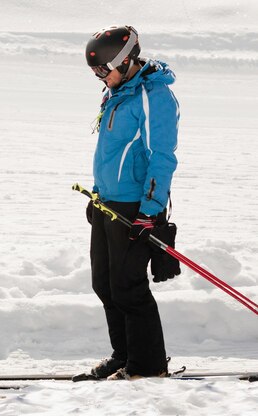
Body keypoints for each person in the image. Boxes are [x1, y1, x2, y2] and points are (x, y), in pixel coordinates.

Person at [84, 25, 180, 380]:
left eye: (102, 70)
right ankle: (123, 355)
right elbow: (109, 152)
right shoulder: (118, 92)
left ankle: (148, 365)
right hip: (109, 202)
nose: (99, 78)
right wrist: (97, 193)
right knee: (105, 284)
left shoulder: (154, 97)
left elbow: (161, 157)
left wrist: (150, 211)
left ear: (124, 61)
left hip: (136, 207)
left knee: (129, 287)